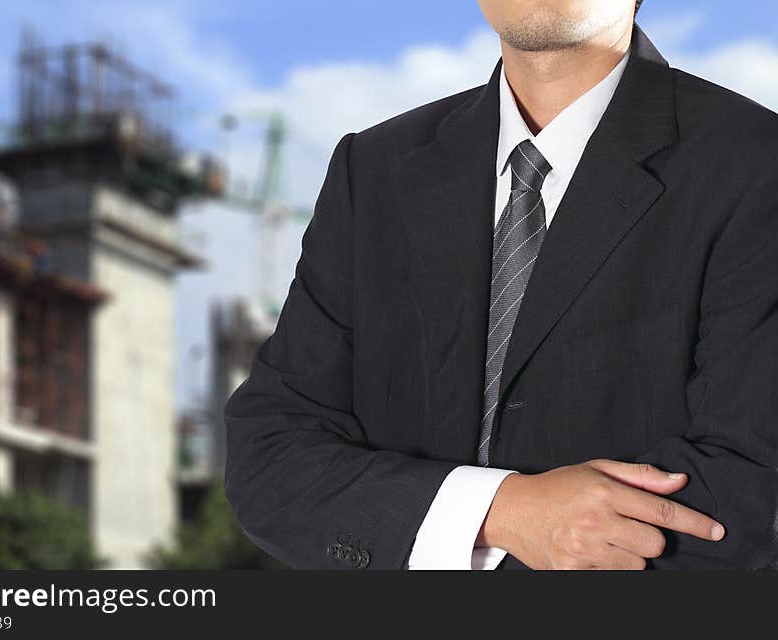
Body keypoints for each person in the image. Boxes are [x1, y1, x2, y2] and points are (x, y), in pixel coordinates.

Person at [223, 0, 778, 569]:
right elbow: (271, 456)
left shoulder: (757, 166)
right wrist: (502, 512)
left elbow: (748, 489)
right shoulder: (372, 171)